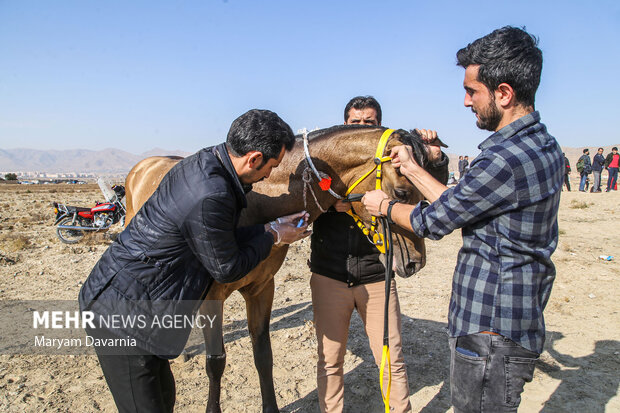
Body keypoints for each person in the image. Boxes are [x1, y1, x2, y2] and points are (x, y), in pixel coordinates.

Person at [362, 26, 563, 412]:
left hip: (490, 328)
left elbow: (433, 221)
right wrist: (416, 169)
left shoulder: (503, 160)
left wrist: (383, 206)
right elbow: (463, 203)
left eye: (472, 91)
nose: (466, 101)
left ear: (503, 93)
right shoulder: (540, 144)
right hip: (512, 317)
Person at [78, 109, 311, 413]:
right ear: (253, 158)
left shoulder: (207, 161)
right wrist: (275, 237)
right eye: (270, 166)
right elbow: (227, 269)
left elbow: (218, 236)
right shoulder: (211, 193)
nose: (269, 176)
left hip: (142, 307)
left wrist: (270, 227)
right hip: (121, 318)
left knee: (163, 400)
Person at [309, 96, 412, 413]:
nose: (361, 129)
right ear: (343, 125)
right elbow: (301, 205)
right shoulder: (322, 164)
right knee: (330, 359)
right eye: (355, 123)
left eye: (369, 123)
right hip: (329, 275)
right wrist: (328, 202)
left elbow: (416, 187)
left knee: (390, 356)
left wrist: (435, 160)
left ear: (380, 125)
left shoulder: (392, 161)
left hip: (376, 276)